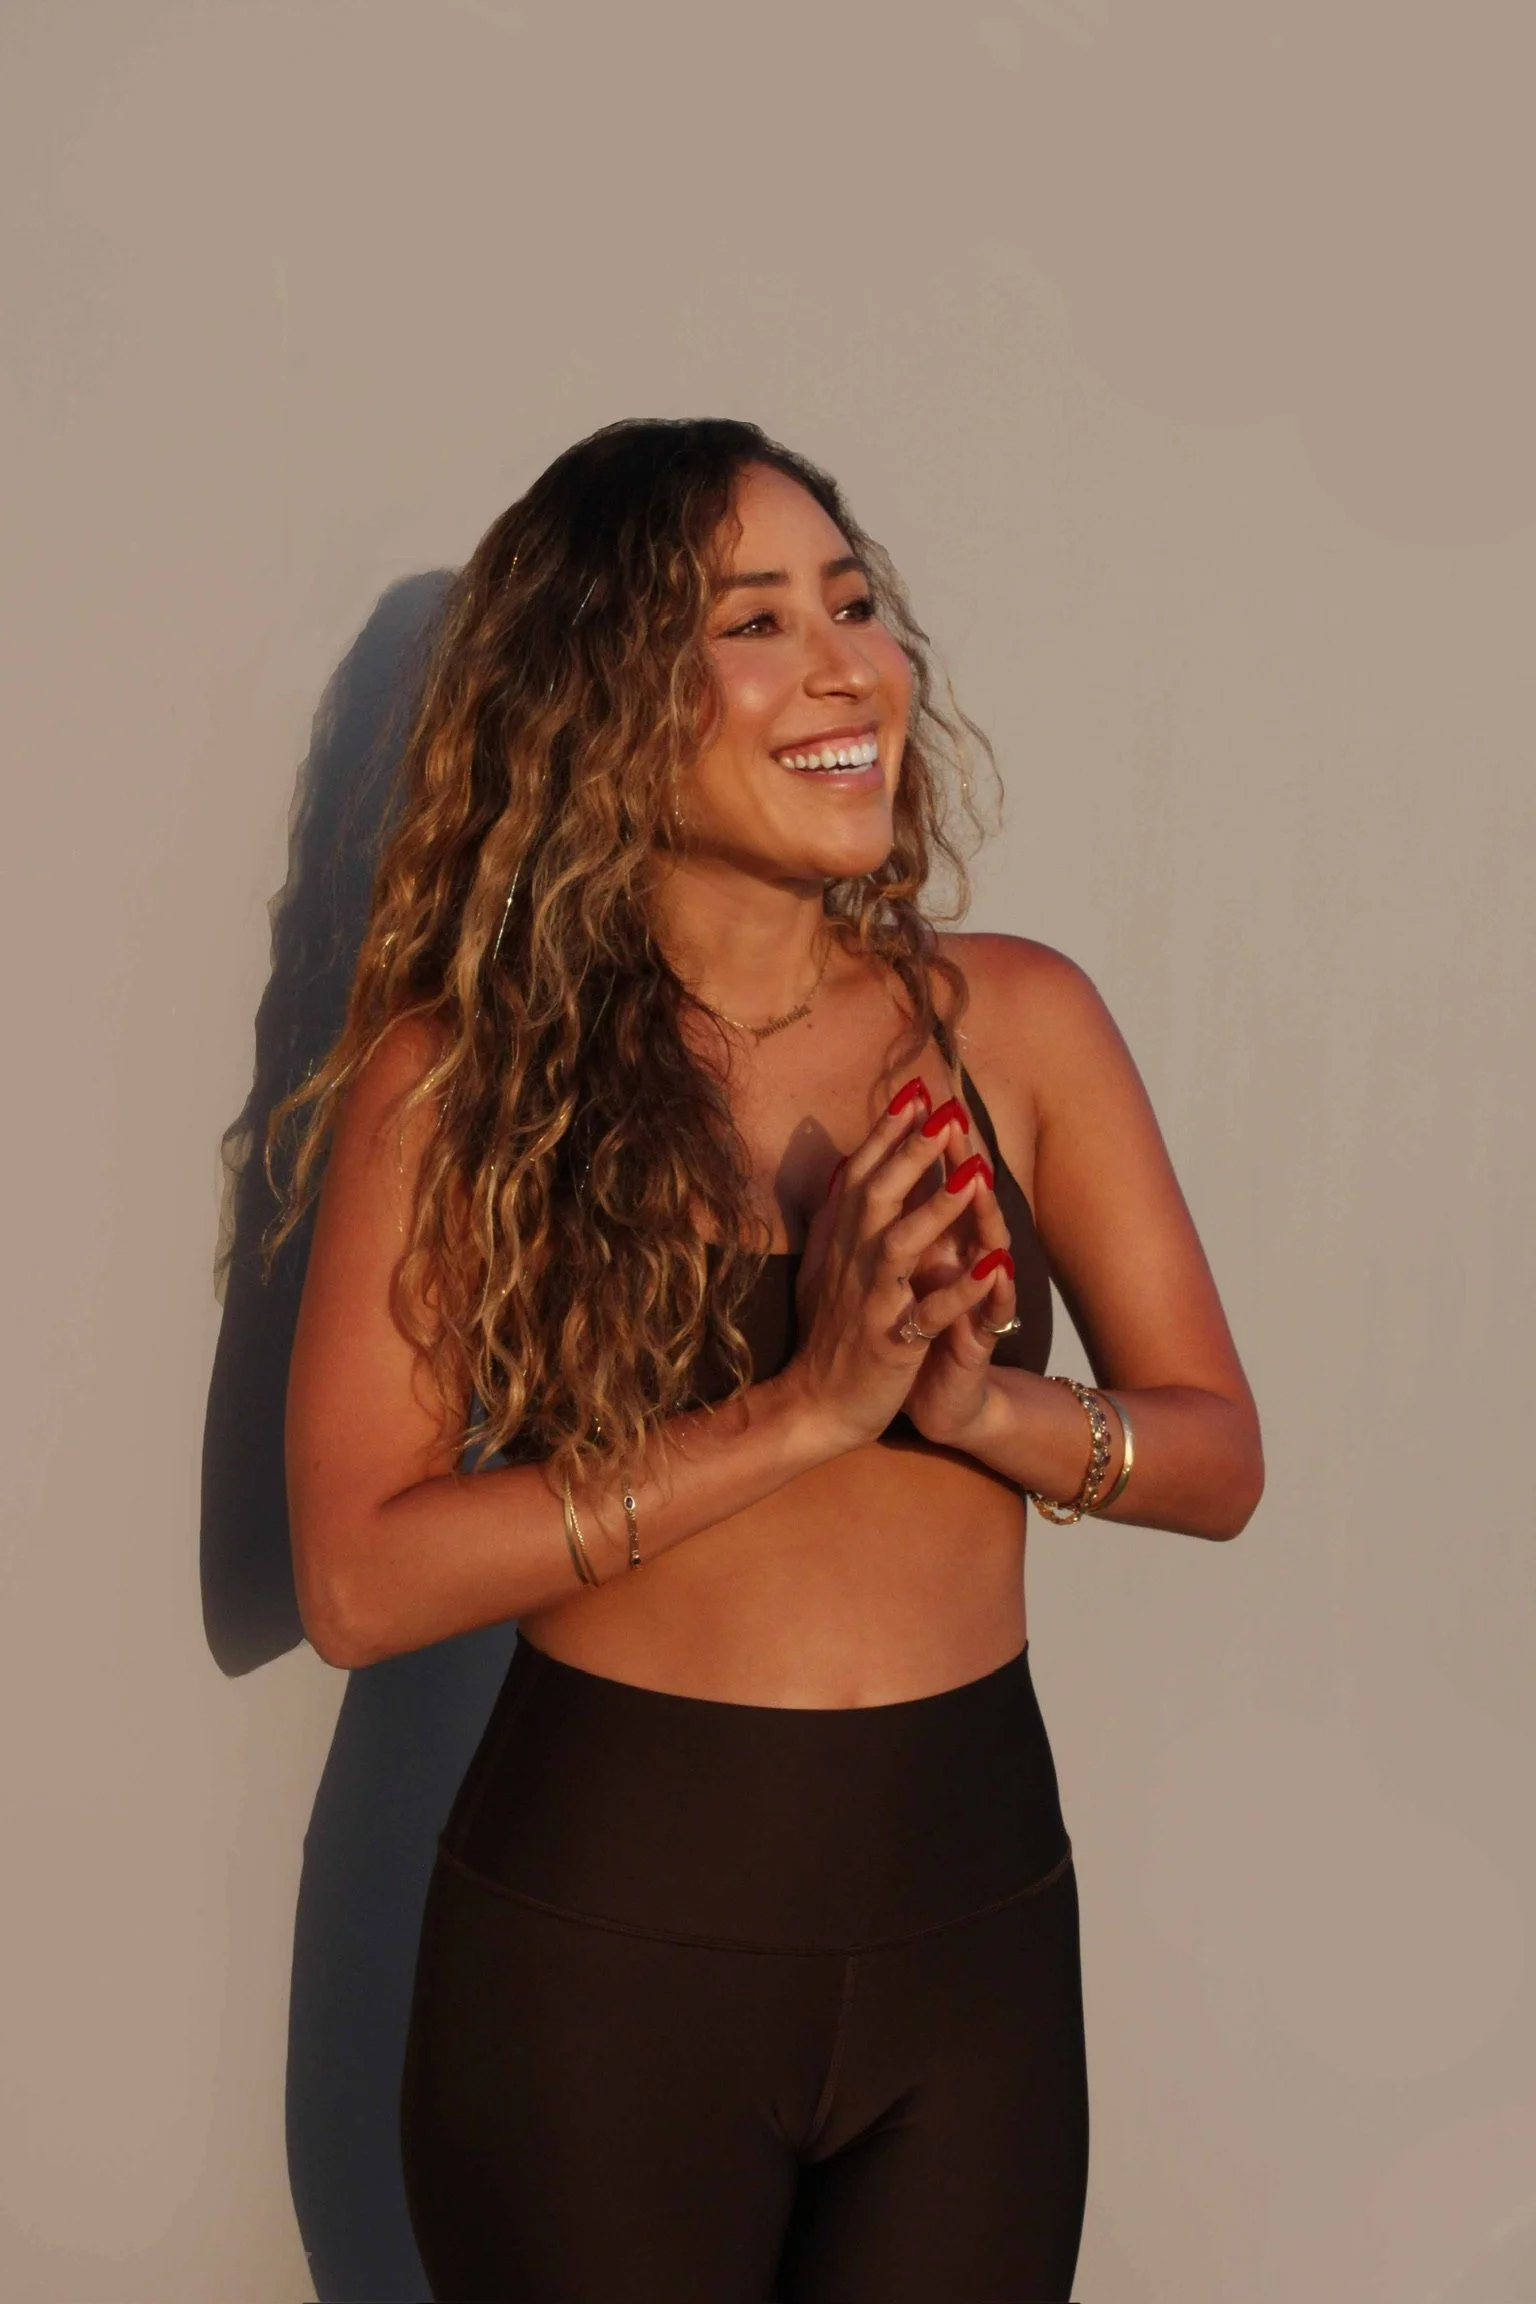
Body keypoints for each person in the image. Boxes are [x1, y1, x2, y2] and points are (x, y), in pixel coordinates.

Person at [273, 416, 1263, 2303]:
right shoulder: (463, 1084)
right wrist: (799, 1415)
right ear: (600, 703)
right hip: (601, 1972)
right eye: (754, 620)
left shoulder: (1023, 1023)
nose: (848, 666)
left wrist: (980, 1412)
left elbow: (1218, 1457)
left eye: (857, 601)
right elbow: (354, 1579)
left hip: (974, 1964)